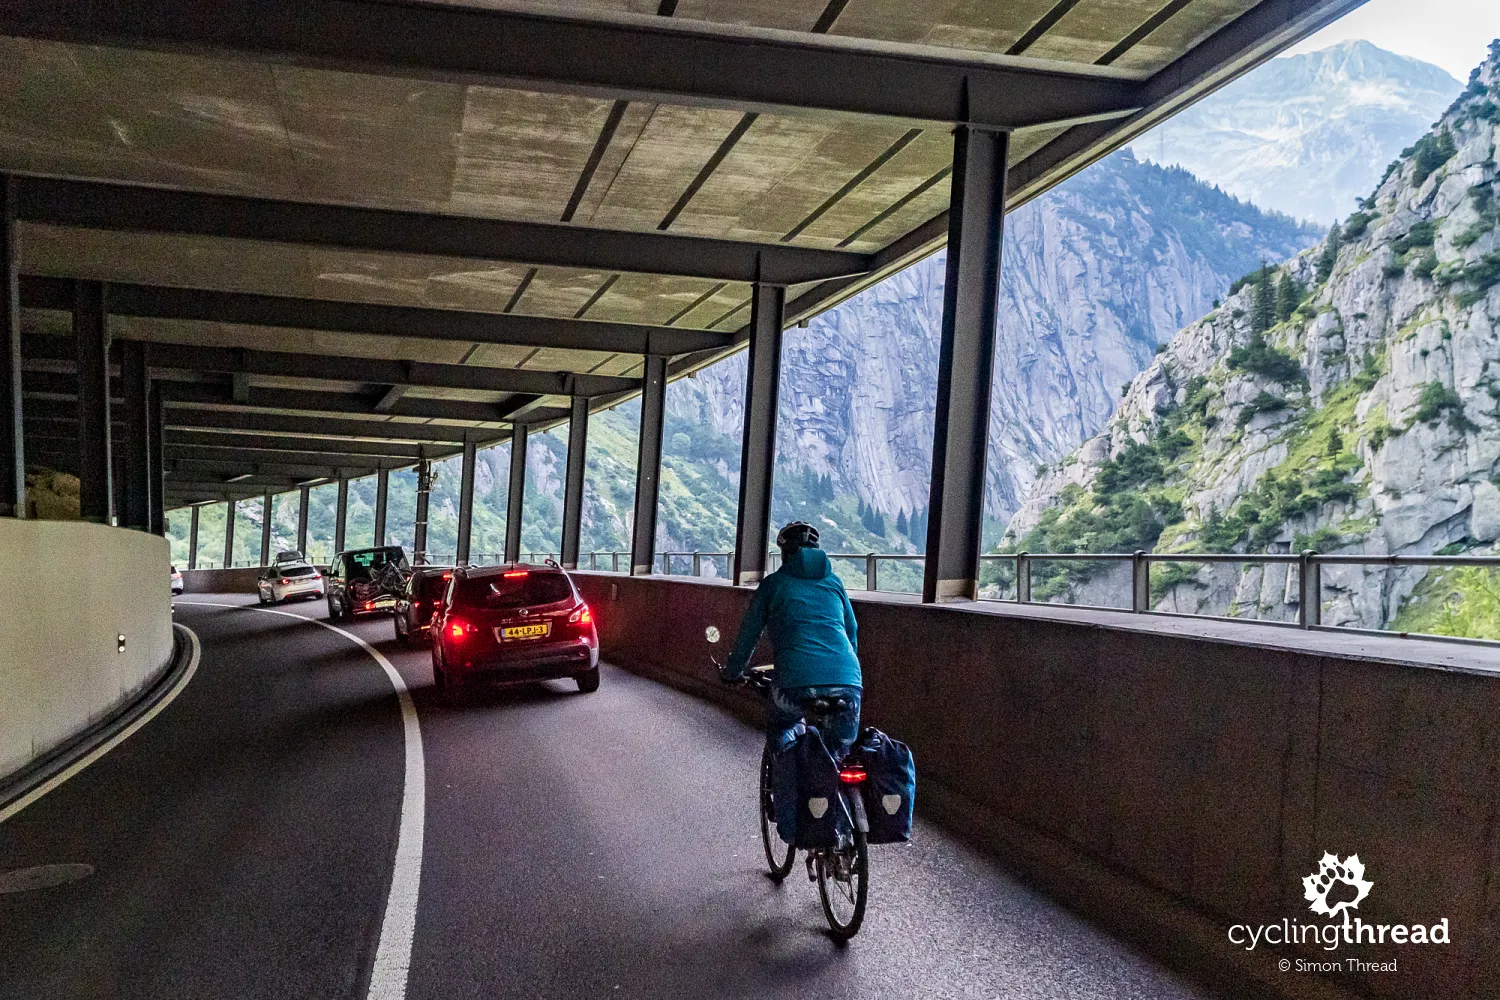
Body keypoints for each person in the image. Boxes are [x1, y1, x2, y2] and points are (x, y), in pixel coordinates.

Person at [720, 521, 862, 756]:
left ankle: (785, 786)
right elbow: (852, 631)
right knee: (840, 753)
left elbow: (749, 634)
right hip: (848, 680)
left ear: (785, 552)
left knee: (782, 730)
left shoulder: (773, 584)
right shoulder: (835, 583)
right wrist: (842, 672)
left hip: (795, 679)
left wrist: (733, 672)